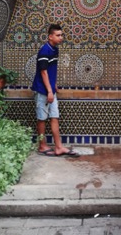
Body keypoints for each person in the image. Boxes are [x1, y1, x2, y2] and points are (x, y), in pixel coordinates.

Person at [32, 24, 79, 157]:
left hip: (50, 89)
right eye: (58, 35)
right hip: (42, 90)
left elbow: (52, 70)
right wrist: (49, 91)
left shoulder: (54, 50)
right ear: (50, 36)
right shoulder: (44, 51)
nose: (61, 38)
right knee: (41, 119)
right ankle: (42, 146)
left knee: (54, 117)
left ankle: (58, 147)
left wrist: (54, 85)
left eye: (61, 35)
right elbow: (43, 72)